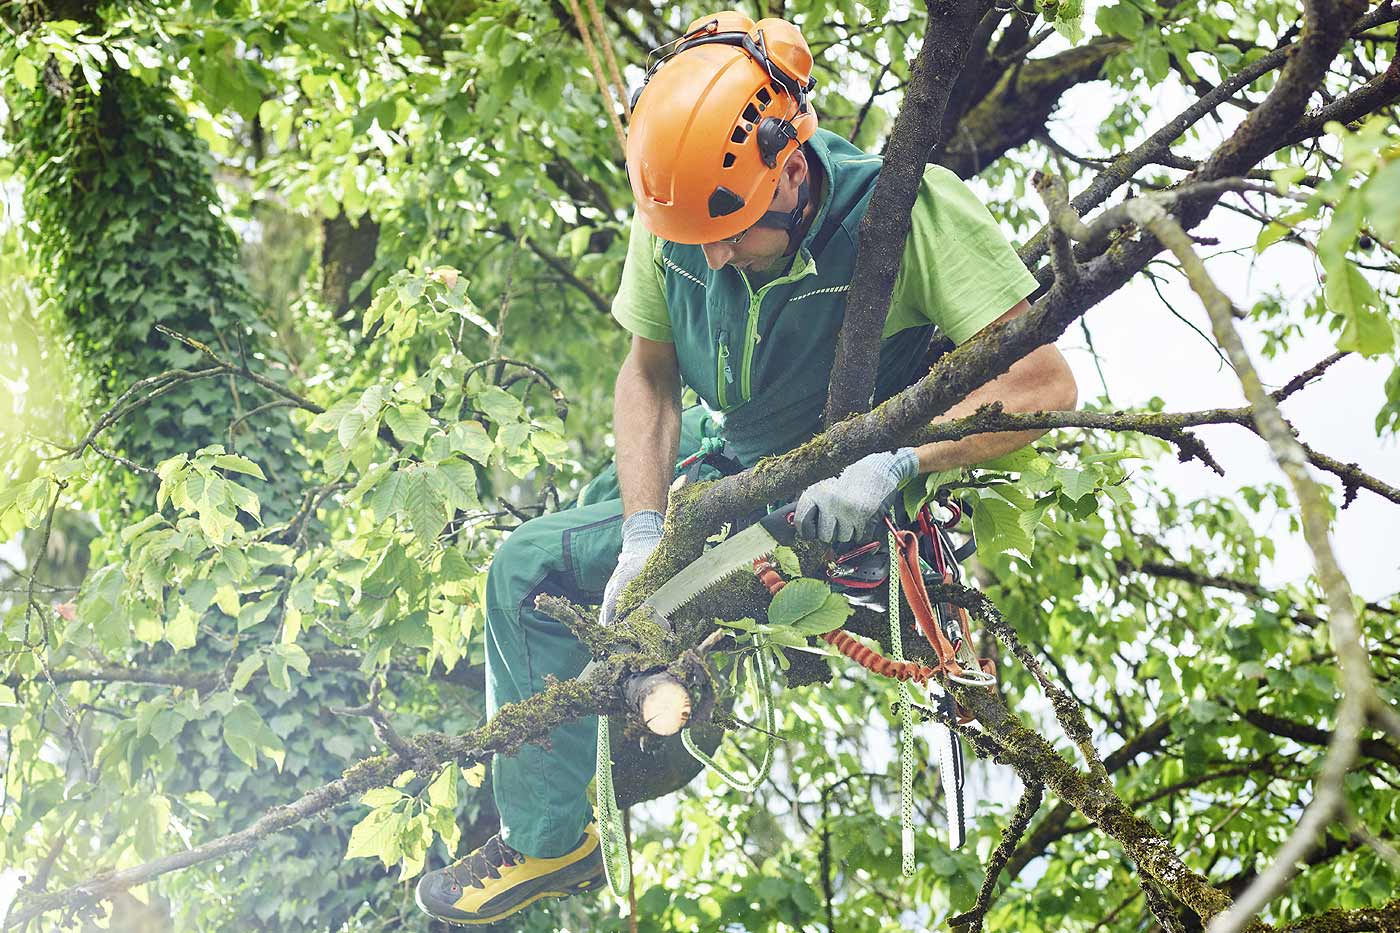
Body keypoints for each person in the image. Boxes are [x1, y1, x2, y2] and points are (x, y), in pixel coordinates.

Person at [415, 10, 1077, 925]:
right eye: (697, 240)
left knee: (524, 567)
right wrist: (643, 529)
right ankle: (568, 769)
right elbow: (647, 376)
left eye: (733, 232)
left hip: (829, 506)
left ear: (792, 166)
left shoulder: (906, 210)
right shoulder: (682, 213)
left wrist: (901, 461)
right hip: (716, 467)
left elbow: (1040, 383)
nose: (714, 255)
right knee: (573, 569)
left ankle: (548, 844)